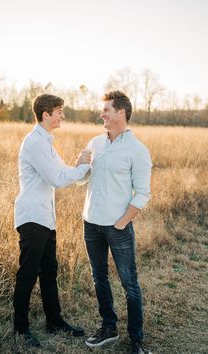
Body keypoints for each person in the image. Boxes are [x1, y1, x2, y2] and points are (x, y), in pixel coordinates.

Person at [13, 93, 91, 348]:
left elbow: (63, 172)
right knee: (28, 273)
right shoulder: (34, 142)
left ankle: (54, 322)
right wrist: (82, 169)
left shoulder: (46, 143)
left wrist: (82, 169)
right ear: (46, 114)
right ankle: (20, 329)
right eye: (59, 112)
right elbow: (58, 178)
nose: (62, 116)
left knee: (49, 272)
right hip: (33, 216)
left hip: (46, 218)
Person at [82, 91, 152, 354]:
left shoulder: (137, 150)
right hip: (91, 224)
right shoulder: (95, 143)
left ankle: (136, 341)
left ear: (120, 113)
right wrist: (79, 164)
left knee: (129, 283)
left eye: (106, 110)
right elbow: (82, 179)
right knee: (99, 277)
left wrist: (123, 222)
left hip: (118, 227)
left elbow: (143, 193)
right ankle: (108, 327)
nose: (102, 114)